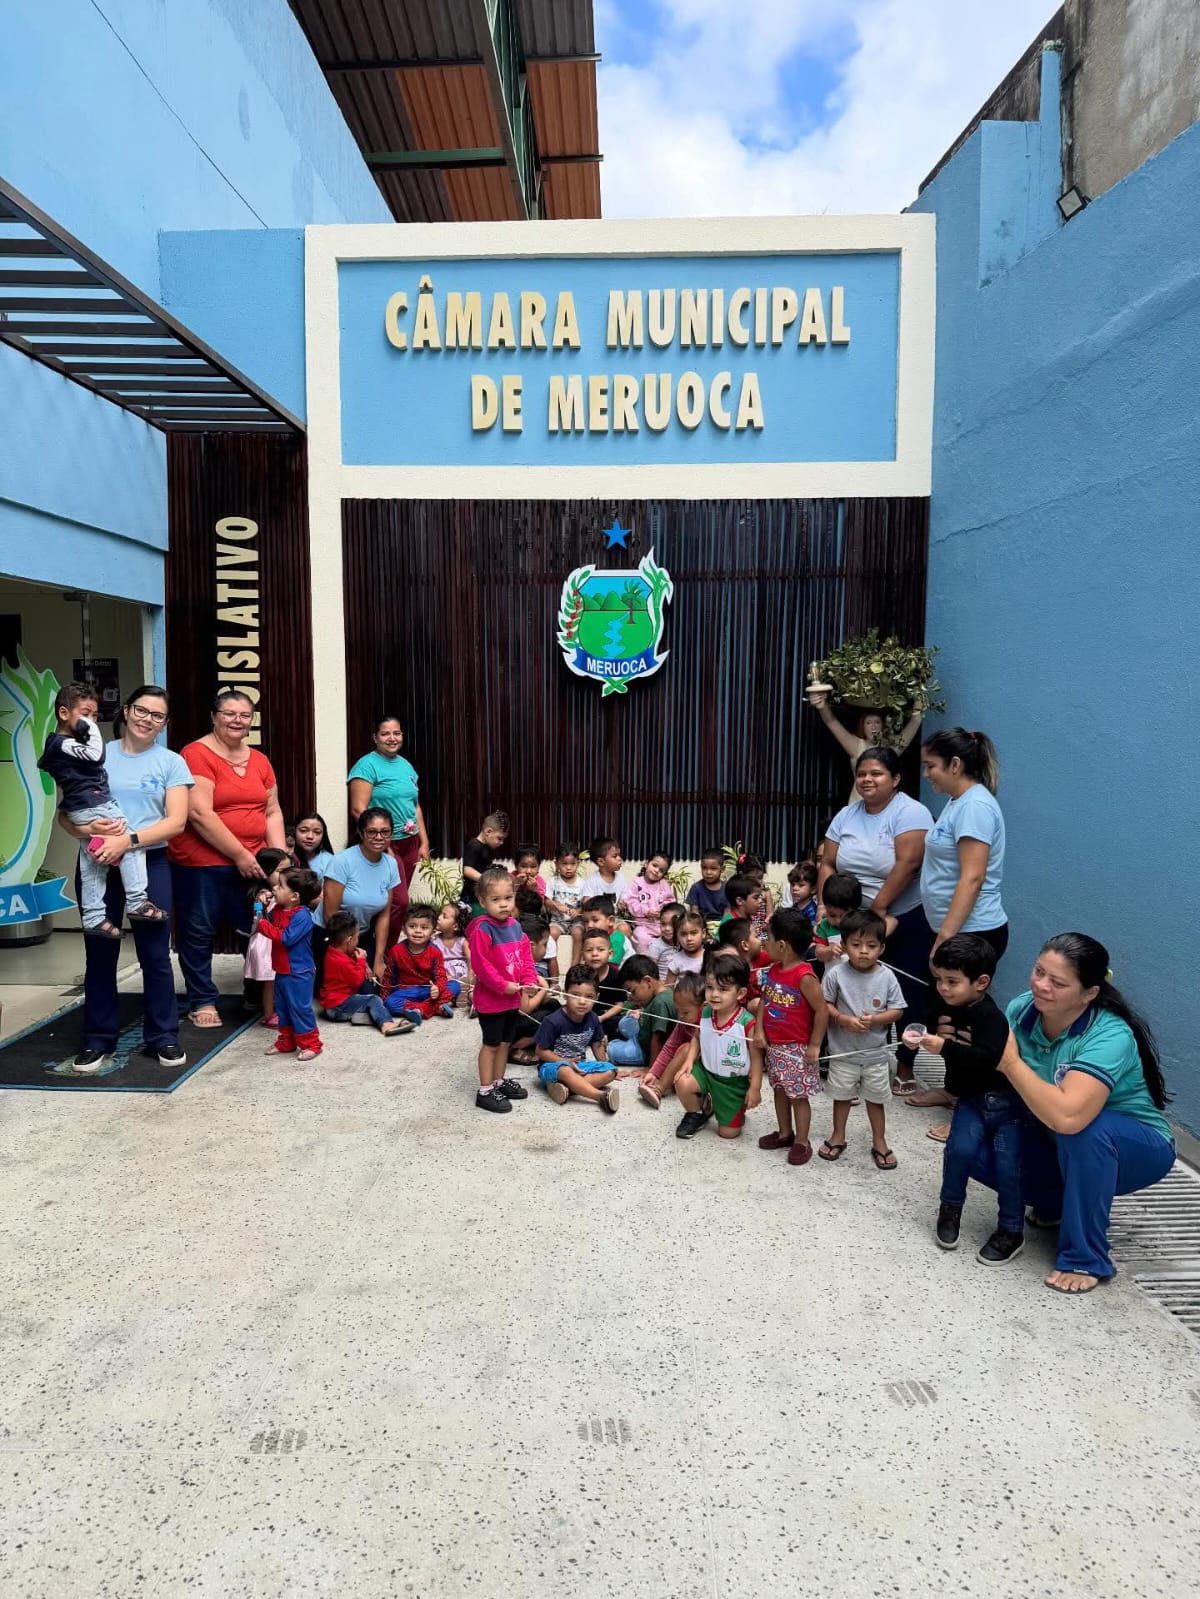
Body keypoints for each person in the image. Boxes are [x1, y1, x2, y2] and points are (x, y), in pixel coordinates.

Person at [990, 934, 1175, 1294]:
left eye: (1057, 982)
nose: (1040, 985)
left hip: (1135, 1147)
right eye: (1038, 971)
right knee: (981, 1140)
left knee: (1087, 1129)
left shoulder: (1109, 1035)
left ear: (1089, 992)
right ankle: (1054, 1203)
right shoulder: (1022, 1009)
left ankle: (1086, 1257)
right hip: (1060, 1136)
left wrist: (1010, 1062)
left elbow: (1069, 1118)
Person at [56, 685, 192, 1073]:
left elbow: (176, 822)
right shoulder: (94, 755)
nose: (148, 720)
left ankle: (163, 1037)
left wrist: (126, 841)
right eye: (142, 711)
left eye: (158, 715)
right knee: (100, 954)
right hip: (98, 864)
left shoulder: (171, 762)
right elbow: (65, 816)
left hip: (151, 864)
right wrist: (90, 833)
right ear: (127, 711)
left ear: (165, 723)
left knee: (155, 955)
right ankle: (97, 1040)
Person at [908, 728, 1008, 1123]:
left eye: (931, 767)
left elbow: (972, 877)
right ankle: (953, 1091)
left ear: (955, 764)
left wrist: (945, 938)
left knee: (972, 1025)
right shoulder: (957, 802)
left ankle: (974, 1107)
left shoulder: (976, 807)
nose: (927, 775)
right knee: (950, 1015)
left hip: (972, 932)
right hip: (953, 930)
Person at [169, 689, 286, 1029]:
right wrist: (239, 854)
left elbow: (273, 811)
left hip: (253, 861)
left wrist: (278, 862)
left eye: (244, 715)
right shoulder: (196, 753)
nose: (237, 720)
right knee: (199, 931)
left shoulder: (260, 760)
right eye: (229, 713)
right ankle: (202, 999)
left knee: (259, 929)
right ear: (214, 716)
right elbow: (199, 813)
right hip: (202, 861)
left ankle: (256, 993)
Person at [820, 746, 934, 1093]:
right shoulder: (847, 814)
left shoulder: (911, 812)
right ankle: (844, 1062)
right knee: (848, 988)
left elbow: (909, 863)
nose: (867, 780)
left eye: (876, 773)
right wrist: (828, 908)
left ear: (896, 779)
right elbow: (828, 863)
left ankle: (905, 1065)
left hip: (900, 913)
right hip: (851, 920)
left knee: (908, 994)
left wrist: (878, 910)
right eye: (862, 774)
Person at [916, 935, 1020, 1261]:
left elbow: (988, 1058)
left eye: (952, 981)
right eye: (939, 980)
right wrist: (918, 1034)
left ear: (981, 982)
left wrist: (944, 1047)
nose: (943, 988)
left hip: (1006, 1106)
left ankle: (1011, 1229)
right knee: (958, 1151)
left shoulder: (992, 1018)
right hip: (970, 1101)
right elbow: (929, 1023)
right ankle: (950, 1210)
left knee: (1010, 1166)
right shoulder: (946, 1005)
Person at [39, 682, 165, 939]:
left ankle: (94, 916)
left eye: (95, 716)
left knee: (93, 860)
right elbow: (96, 755)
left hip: (84, 806)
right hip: (95, 805)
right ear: (64, 714)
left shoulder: (64, 745)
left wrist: (84, 722)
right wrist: (90, 727)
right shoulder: (62, 744)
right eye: (86, 714)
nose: (92, 721)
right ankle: (138, 901)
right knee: (130, 843)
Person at [818, 910, 905, 1169]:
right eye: (856, 945)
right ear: (843, 946)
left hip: (875, 1055)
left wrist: (877, 1020)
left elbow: (898, 1010)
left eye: (871, 946)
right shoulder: (836, 974)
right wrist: (844, 1020)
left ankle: (879, 1141)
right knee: (841, 1097)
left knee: (876, 1101)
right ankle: (838, 1136)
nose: (863, 951)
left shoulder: (887, 976)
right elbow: (825, 1005)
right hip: (843, 1053)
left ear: (882, 948)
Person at [467, 866, 543, 1113]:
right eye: (495, 900)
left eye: (508, 898)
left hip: (511, 1001)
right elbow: (481, 964)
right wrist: (503, 985)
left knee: (504, 1044)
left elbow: (525, 958)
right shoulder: (482, 929)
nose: (503, 905)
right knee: (490, 1045)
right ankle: (485, 1090)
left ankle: (498, 1082)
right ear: (482, 901)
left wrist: (530, 980)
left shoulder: (515, 927)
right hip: (491, 1002)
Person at [756, 908, 828, 1166]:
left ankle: (802, 1140)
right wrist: (759, 1029)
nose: (764, 942)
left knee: (798, 1096)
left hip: (797, 1049)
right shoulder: (775, 969)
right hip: (775, 1047)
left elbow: (821, 1010)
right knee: (779, 1090)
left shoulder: (804, 976)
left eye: (768, 938)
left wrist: (815, 1045)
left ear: (782, 945)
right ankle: (785, 1132)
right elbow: (765, 999)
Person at [347, 716, 430, 922]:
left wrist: (424, 842)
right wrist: (383, 845)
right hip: (384, 842)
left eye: (397, 733)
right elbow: (359, 810)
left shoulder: (406, 765)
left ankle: (388, 949)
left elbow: (415, 806)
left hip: (410, 842)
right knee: (398, 901)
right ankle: (383, 948)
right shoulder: (366, 765)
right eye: (385, 733)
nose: (392, 738)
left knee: (396, 900)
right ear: (375, 738)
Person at [674, 952, 763, 1141]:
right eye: (709, 987)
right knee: (683, 1080)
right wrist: (689, 1061)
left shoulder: (746, 1023)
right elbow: (697, 1038)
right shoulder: (705, 1013)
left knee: (728, 1134)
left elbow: (756, 1057)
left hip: (733, 1084)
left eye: (723, 989)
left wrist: (755, 1087)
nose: (714, 994)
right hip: (706, 1073)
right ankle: (697, 1112)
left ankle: (730, 1108)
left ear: (740, 993)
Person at [319, 808, 402, 986]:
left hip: (361, 936)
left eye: (385, 832)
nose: (379, 837)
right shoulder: (341, 861)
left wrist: (379, 959)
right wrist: (357, 957)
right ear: (361, 833)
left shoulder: (391, 864)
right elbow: (330, 916)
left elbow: (384, 915)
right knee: (353, 987)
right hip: (331, 936)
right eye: (372, 832)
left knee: (381, 985)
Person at [807, 688, 925, 801]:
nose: (873, 727)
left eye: (877, 722)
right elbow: (831, 722)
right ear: (862, 726)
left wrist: (919, 694)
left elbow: (915, 722)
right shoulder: (855, 745)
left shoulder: (892, 747)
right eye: (868, 723)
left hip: (885, 805)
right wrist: (822, 706)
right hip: (859, 803)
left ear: (883, 725)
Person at [258, 865, 322, 1061]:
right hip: (282, 970)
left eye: (280, 886)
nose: (274, 888)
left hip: (299, 972)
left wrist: (262, 926)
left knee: (300, 1008)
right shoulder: (279, 909)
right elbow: (268, 920)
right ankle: (286, 1041)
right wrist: (261, 903)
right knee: (283, 1007)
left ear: (294, 896)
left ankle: (312, 1044)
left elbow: (286, 938)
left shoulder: (302, 916)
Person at [535, 965, 619, 1112]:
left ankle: (567, 1088)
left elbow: (597, 1045)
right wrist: (565, 1061)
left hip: (580, 1067)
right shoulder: (553, 1021)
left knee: (610, 1072)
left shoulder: (593, 1019)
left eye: (589, 997)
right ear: (565, 994)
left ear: (597, 998)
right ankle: (600, 1096)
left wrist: (608, 1065)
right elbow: (541, 1052)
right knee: (566, 1071)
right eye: (575, 995)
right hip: (552, 1067)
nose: (582, 1002)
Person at [319, 910, 413, 1035]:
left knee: (366, 1001)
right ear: (350, 940)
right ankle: (386, 1023)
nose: (358, 941)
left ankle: (363, 1017)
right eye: (357, 937)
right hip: (337, 1007)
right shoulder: (341, 961)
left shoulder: (332, 951)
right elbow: (357, 981)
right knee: (373, 999)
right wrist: (362, 961)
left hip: (333, 1004)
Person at [383, 903, 461, 1023]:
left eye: (424, 927)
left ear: (432, 931)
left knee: (454, 985)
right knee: (390, 1002)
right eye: (412, 926)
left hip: (428, 991)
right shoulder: (396, 951)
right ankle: (435, 1008)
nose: (418, 931)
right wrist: (384, 998)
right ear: (404, 928)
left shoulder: (435, 952)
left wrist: (438, 988)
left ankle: (418, 1010)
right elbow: (388, 977)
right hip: (405, 992)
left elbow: (441, 976)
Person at [637, 970, 704, 1107]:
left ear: (703, 1007)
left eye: (685, 1012)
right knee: (681, 1048)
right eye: (678, 1010)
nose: (681, 1016)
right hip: (688, 1070)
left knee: (686, 1048)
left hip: (707, 1070)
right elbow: (669, 1048)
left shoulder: (709, 1025)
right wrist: (653, 1073)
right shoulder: (683, 1023)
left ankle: (659, 1089)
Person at [243, 848, 291, 1027]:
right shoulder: (264, 894)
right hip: (267, 942)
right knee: (270, 981)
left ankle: (280, 1009)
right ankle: (269, 1013)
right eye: (280, 871)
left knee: (281, 979)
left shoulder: (286, 890)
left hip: (279, 940)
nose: (285, 875)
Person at [608, 955, 677, 1070]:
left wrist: (651, 1069)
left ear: (648, 981)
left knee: (611, 1049)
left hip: (646, 1051)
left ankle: (629, 1045)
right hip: (643, 1035)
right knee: (625, 1022)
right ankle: (629, 1041)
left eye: (633, 991)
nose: (632, 997)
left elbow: (658, 1039)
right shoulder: (660, 994)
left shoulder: (660, 1002)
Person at [581, 927, 630, 1040]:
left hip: (606, 1017)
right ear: (582, 954)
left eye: (600, 949)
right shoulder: (579, 974)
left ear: (610, 953)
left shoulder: (617, 976)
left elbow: (619, 1005)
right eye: (589, 950)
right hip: (583, 1014)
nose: (594, 954)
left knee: (620, 1023)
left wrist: (601, 1018)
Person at [622, 852, 676, 954]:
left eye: (661, 870)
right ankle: (645, 964)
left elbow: (670, 902)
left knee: (670, 937)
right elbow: (631, 902)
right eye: (654, 865)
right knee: (641, 938)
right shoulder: (637, 883)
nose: (656, 871)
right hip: (643, 925)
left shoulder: (663, 884)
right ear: (646, 864)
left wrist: (663, 912)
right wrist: (645, 911)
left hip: (661, 925)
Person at [461, 810, 509, 916]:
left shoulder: (487, 848)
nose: (501, 843)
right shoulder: (474, 846)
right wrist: (486, 879)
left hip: (481, 896)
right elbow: (467, 870)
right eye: (499, 838)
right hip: (471, 897)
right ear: (488, 832)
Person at [812, 872, 862, 967]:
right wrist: (829, 950)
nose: (838, 921)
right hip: (833, 979)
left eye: (844, 915)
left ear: (855, 909)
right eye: (832, 915)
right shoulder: (824, 926)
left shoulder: (862, 923)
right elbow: (818, 954)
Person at [545, 841, 586, 956]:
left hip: (576, 921)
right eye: (564, 864)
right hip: (558, 921)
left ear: (578, 863)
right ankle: (549, 962)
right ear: (556, 864)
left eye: (573, 864)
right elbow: (546, 901)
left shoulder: (582, 884)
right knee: (551, 933)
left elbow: (585, 904)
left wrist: (577, 911)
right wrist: (557, 905)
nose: (569, 868)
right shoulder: (553, 881)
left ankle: (575, 965)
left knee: (578, 933)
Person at [433, 902, 472, 1008]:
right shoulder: (435, 940)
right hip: (443, 973)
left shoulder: (462, 941)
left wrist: (470, 977)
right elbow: (434, 961)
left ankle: (466, 995)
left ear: (455, 926)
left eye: (444, 916)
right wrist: (445, 975)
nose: (439, 917)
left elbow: (470, 959)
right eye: (440, 914)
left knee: (465, 983)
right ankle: (454, 998)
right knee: (441, 984)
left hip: (460, 973)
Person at [581, 896, 630, 966]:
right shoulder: (591, 939)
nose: (589, 925)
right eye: (586, 921)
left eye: (595, 920)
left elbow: (612, 967)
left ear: (611, 921)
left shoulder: (617, 939)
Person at [661, 909, 708, 982]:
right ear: (677, 936)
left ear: (703, 933)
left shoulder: (710, 957)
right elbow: (668, 987)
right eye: (683, 934)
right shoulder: (675, 960)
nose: (689, 938)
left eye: (693, 933)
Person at [686, 848, 729, 928]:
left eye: (713, 868)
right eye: (704, 868)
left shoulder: (727, 888)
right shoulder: (696, 888)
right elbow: (694, 912)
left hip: (722, 925)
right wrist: (702, 927)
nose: (708, 872)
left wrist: (719, 931)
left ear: (722, 869)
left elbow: (727, 913)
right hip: (701, 925)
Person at [580, 837, 630, 903]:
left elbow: (624, 897)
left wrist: (623, 903)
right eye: (615, 856)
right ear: (601, 862)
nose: (619, 859)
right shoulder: (592, 881)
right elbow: (586, 902)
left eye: (619, 855)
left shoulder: (621, 878)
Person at [645, 902, 686, 979]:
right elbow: (650, 971)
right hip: (664, 985)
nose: (667, 928)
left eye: (672, 924)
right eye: (663, 924)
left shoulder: (685, 943)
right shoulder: (656, 946)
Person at [292, 813, 335, 878]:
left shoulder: (329, 861)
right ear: (294, 831)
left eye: (317, 832)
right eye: (303, 830)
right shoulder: (286, 857)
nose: (310, 836)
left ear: (323, 836)